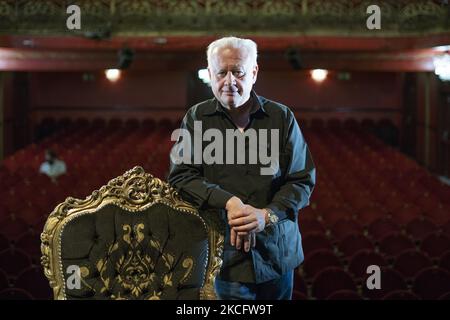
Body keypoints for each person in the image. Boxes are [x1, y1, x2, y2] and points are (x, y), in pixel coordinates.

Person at [168, 36, 315, 300]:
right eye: (221, 72)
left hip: (277, 253)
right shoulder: (196, 117)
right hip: (224, 259)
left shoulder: (282, 117)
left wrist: (266, 215)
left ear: (254, 73)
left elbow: (301, 180)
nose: (229, 82)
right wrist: (230, 202)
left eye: (238, 72)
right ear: (210, 74)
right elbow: (181, 176)